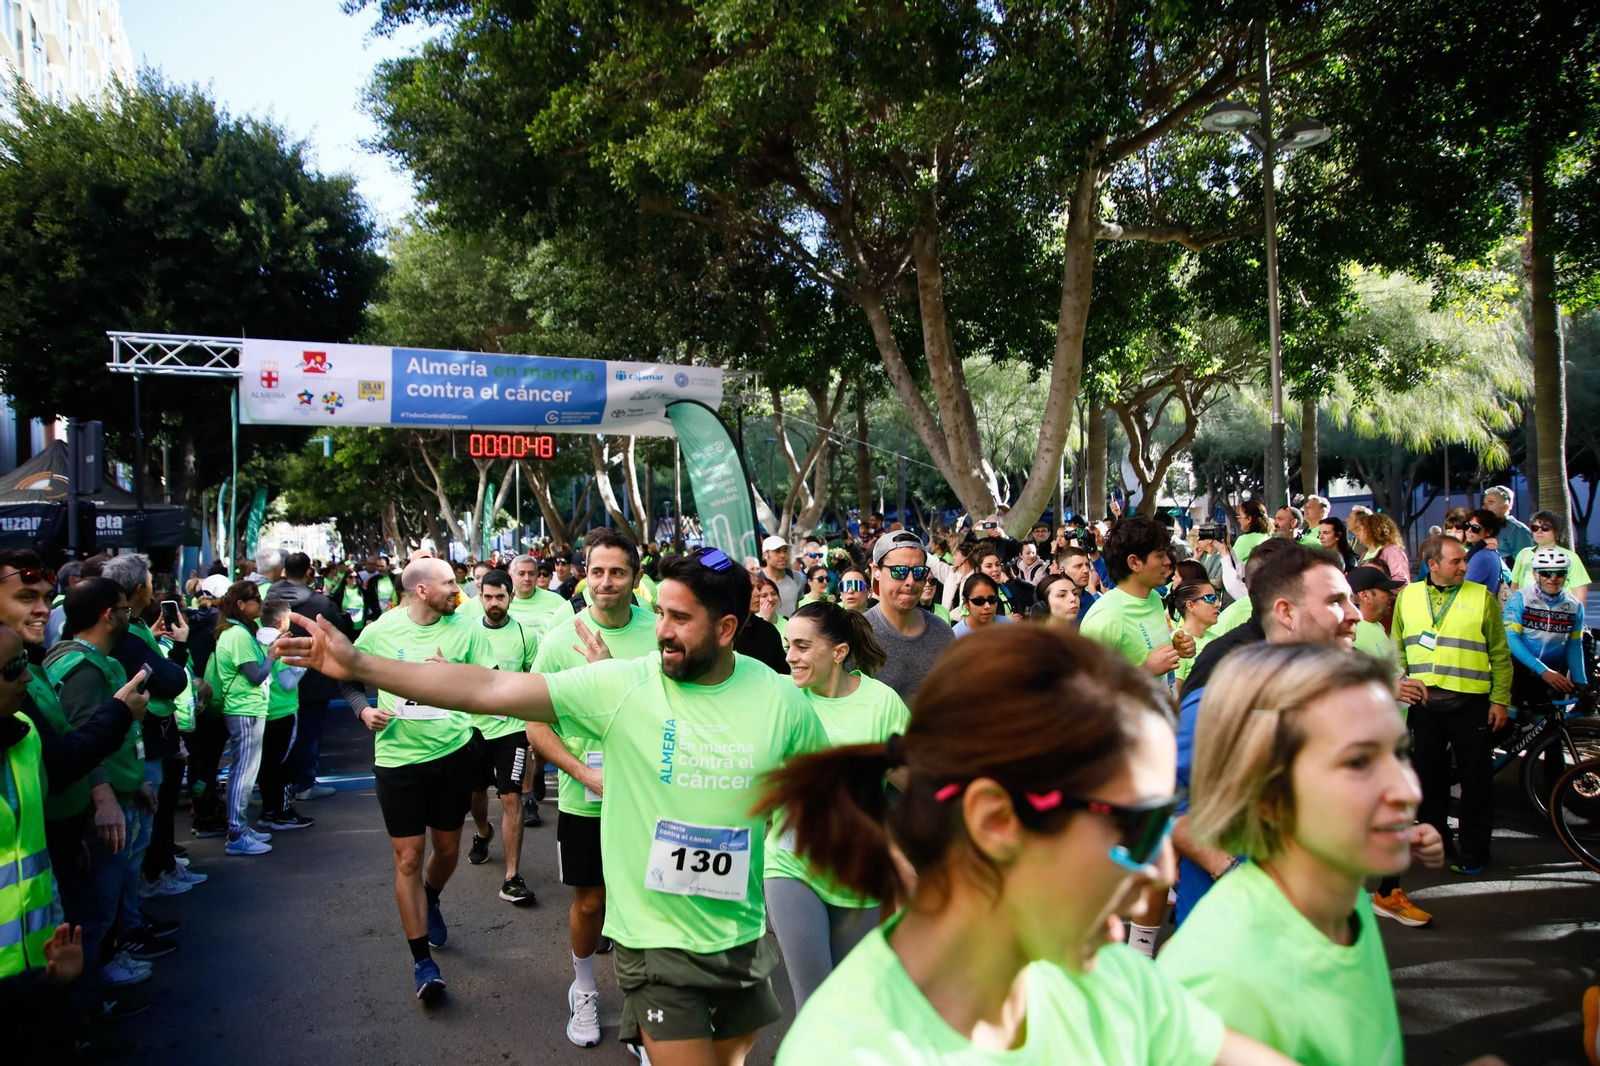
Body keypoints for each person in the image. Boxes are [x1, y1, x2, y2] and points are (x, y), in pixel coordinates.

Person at [278, 547, 828, 1064]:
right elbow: (486, 690)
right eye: (660, 612)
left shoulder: (780, 699)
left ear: (727, 628)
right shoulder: (625, 686)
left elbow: (822, 807)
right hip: (655, 941)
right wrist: (361, 666)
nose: (661, 630)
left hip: (740, 937)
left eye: (680, 619)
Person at [759, 626, 1297, 1066]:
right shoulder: (855, 1049)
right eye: (1136, 828)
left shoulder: (1103, 971)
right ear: (995, 820)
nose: (1162, 872)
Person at [1159, 644, 1447, 1065]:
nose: (1408, 791)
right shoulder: (1224, 980)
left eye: (1399, 753)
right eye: (1358, 762)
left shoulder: (1343, 897)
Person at [1169, 542, 1361, 925]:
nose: (1355, 614)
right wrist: (1226, 868)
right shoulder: (1225, 697)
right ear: (1285, 611)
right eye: (1337, 601)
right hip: (1233, 943)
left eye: (1352, 599)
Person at [337, 558, 500, 1002]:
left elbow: (492, 684)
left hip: (452, 755)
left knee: (446, 850)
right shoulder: (381, 631)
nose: (459, 588)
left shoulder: (467, 627)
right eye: (449, 583)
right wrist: (363, 709)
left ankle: (432, 897)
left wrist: (455, 675)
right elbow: (347, 676)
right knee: (408, 856)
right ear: (422, 591)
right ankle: (422, 964)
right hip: (397, 759)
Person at [525, 531, 657, 1048]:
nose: (605, 582)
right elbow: (535, 725)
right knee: (591, 901)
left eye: (617, 572)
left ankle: (649, 1016)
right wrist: (583, 774)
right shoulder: (561, 640)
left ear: (636, 579)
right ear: (584, 573)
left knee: (648, 903)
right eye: (596, 571)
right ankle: (583, 989)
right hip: (588, 797)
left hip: (651, 797)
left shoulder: (659, 631)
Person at [766, 601, 908, 1011]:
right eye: (788, 645)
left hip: (859, 872)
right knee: (814, 1008)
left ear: (839, 652)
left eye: (802, 647)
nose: (789, 656)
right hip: (791, 865)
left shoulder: (881, 703)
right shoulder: (780, 697)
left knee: (851, 1008)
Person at [42, 578, 157, 990]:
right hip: (98, 811)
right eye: (126, 610)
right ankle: (87, 1001)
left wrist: (131, 783)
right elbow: (82, 738)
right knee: (93, 912)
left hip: (117, 793)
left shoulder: (82, 660)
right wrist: (106, 795)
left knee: (102, 905)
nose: (131, 616)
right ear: (110, 616)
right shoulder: (83, 669)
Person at [1393, 535, 1512, 876]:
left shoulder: (1481, 597)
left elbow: (1500, 656)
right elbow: (1397, 646)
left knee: (1476, 781)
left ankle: (1475, 850)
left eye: (1464, 560)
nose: (1465, 566)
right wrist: (1401, 681)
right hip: (1425, 703)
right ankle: (1438, 841)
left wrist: (1500, 699)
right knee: (1429, 777)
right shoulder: (1409, 597)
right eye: (1456, 561)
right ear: (1433, 566)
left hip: (1471, 703)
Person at [99, 554, 207, 901]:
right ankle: (147, 891)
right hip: (143, 741)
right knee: (141, 833)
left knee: (153, 820)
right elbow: (169, 679)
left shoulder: (137, 630)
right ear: (138, 589)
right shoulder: (123, 640)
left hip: (157, 735)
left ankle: (159, 872)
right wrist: (178, 647)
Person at [462, 568, 537, 905]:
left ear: (511, 597)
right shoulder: (466, 633)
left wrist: (536, 726)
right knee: (476, 794)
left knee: (511, 797)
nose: (494, 603)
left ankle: (511, 876)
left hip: (512, 730)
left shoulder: (524, 635)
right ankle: (482, 833)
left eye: (500, 597)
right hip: (473, 730)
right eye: (488, 597)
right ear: (480, 597)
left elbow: (535, 680)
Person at [269, 551, 353, 803]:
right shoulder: (320, 604)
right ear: (309, 572)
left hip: (273, 676)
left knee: (280, 737)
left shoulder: (266, 599)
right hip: (312, 676)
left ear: (284, 570)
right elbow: (340, 633)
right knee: (308, 732)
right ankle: (304, 782)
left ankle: (281, 788)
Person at [207, 581, 277, 857]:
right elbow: (255, 675)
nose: (260, 605)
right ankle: (237, 831)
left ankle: (241, 828)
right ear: (241, 605)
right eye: (255, 600)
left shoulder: (236, 632)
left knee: (245, 771)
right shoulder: (237, 634)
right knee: (243, 773)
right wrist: (271, 656)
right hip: (244, 710)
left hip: (247, 709)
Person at [1079, 516, 1194, 678]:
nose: (1168, 562)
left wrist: (1174, 647)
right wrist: (1145, 670)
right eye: (1160, 555)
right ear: (1134, 563)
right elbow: (1088, 688)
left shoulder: (1153, 597)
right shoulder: (1105, 618)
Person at [864, 532, 958, 704]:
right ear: (876, 571)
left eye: (919, 572)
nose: (910, 581)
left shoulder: (942, 633)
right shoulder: (859, 634)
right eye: (899, 571)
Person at [254, 600, 314, 832]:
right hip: (283, 711)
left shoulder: (254, 638)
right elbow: (288, 682)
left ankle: (269, 811)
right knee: (283, 765)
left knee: (267, 764)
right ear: (281, 621)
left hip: (263, 711)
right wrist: (304, 663)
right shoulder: (281, 642)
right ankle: (283, 813)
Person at [1509, 510, 1591, 604]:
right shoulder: (1524, 553)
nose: (1539, 531)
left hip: (1560, 612)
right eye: (1535, 527)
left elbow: (1579, 595)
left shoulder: (1571, 557)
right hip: (1527, 611)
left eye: (1545, 527)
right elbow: (1515, 586)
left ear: (1556, 532)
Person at [1169, 580, 1220, 695]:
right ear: (1191, 606)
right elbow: (1174, 695)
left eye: (1216, 598)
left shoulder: (1218, 640)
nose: (1217, 604)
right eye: (1210, 599)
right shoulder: (1178, 642)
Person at [736, 577, 791, 673]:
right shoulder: (725, 630)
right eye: (751, 588)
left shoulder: (770, 629)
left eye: (773, 594)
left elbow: (783, 670)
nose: (757, 593)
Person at [1351, 512, 1409, 586]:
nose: (1357, 533)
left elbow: (1401, 581)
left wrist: (1380, 592)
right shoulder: (1365, 552)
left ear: (1372, 530)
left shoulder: (1391, 551)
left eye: (1360, 529)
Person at [1483, 485, 1534, 564]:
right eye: (1484, 503)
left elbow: (1525, 564)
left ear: (1505, 507)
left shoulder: (1518, 530)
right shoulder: (1483, 527)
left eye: (1490, 503)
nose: (1485, 507)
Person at [951, 573, 1013, 637]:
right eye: (979, 601)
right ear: (966, 603)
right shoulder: (955, 637)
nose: (987, 606)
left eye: (992, 599)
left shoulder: (1011, 628)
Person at [1462, 508, 1506, 595]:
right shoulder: (1482, 552)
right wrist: (1481, 544)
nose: (1469, 530)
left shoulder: (1483, 556)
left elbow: (1461, 586)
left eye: (1475, 528)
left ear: (1489, 532)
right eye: (1467, 525)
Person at [761, 536, 802, 616]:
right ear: (765, 555)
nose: (783, 555)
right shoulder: (757, 580)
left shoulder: (797, 577)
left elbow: (797, 608)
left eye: (785, 550)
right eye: (777, 551)